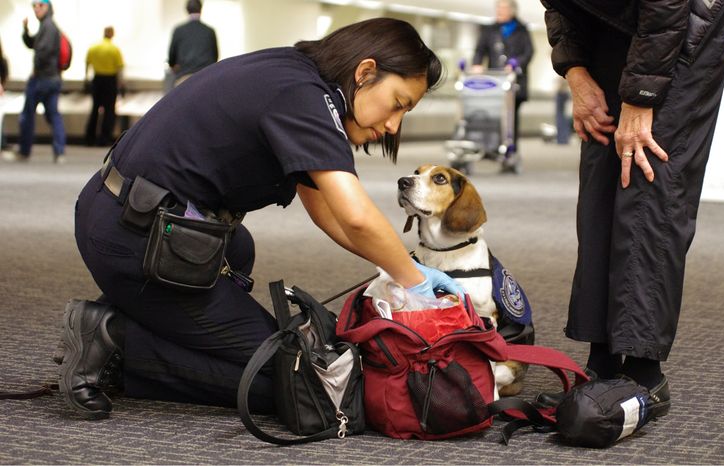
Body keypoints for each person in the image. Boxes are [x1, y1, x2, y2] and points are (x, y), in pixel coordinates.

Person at [60, 17, 460, 420]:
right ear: (366, 71)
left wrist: (401, 268)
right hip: (138, 242)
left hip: (130, 218)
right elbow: (355, 217)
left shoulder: (295, 75)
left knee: (239, 248)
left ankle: (136, 319)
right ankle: (116, 340)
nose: (393, 125)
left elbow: (328, 214)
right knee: (302, 384)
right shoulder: (305, 99)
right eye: (398, 104)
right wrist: (415, 281)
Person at [538, 0, 724, 414]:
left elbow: (666, 6)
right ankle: (602, 367)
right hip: (612, 14)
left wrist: (641, 97)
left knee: (650, 171)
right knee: (602, 154)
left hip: (690, 16)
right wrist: (577, 73)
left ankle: (645, 373)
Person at [471, 0, 534, 169]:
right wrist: (477, 64)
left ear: (512, 11)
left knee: (511, 119)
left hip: (514, 84)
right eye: (498, 8)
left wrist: (516, 64)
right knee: (492, 116)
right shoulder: (489, 30)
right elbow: (480, 50)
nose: (499, 11)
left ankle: (510, 152)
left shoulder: (522, 30)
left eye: (503, 8)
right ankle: (492, 149)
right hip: (494, 83)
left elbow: (529, 52)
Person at [3, 0, 66, 164]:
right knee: (54, 115)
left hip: (42, 79)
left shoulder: (48, 27)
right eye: (34, 6)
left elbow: (42, 52)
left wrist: (35, 71)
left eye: (40, 5)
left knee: (27, 116)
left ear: (48, 7)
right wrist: (25, 30)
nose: (36, 9)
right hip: (53, 79)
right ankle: (59, 152)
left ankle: (24, 151)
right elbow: (32, 43)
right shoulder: (47, 26)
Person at [84, 26, 124, 147]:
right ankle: (104, 138)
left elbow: (87, 64)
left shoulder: (94, 47)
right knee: (109, 111)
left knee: (95, 109)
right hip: (110, 81)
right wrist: (120, 83)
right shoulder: (114, 49)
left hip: (97, 80)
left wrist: (86, 79)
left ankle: (90, 138)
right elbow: (120, 68)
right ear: (112, 34)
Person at [167, 0, 218, 87]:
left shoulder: (179, 31)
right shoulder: (210, 31)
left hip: (184, 78)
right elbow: (215, 56)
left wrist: (174, 66)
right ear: (201, 9)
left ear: (187, 10)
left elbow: (172, 58)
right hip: (207, 77)